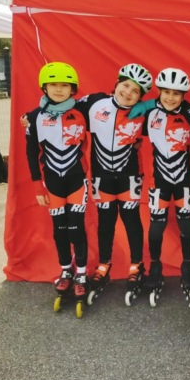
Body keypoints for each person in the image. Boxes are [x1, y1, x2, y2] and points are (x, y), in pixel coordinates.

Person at [77, 63, 153, 306]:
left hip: (130, 176)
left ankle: (136, 265)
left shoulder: (143, 112)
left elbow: (173, 109)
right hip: (101, 177)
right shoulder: (95, 103)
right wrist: (33, 115)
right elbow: (63, 106)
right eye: (126, 85)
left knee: (131, 220)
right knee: (106, 220)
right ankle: (104, 264)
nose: (128, 92)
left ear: (141, 97)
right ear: (117, 83)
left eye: (136, 91)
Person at [24, 62, 89, 318]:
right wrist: (36, 185)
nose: (59, 89)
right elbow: (31, 153)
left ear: (73, 88)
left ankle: (81, 272)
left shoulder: (83, 110)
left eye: (64, 85)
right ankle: (65, 270)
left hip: (77, 180)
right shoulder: (33, 117)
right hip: (52, 183)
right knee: (59, 229)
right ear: (44, 87)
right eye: (53, 85)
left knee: (76, 227)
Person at [134, 68, 190, 308]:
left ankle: (187, 264)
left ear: (183, 96)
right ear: (159, 92)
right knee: (156, 227)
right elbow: (120, 116)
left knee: (186, 225)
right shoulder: (150, 113)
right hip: (158, 182)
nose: (171, 97)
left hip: (184, 181)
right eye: (166, 92)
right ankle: (155, 265)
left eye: (177, 94)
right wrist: (147, 104)